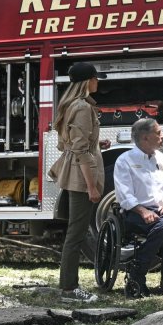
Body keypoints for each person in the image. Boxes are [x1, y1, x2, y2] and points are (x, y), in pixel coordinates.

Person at [48, 61, 106, 302]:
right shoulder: (82, 107)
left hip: (74, 171)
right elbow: (80, 150)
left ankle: (68, 286)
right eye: (95, 78)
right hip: (81, 176)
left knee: (76, 232)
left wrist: (96, 144)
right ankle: (70, 289)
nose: (97, 82)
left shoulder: (71, 105)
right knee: (77, 234)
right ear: (87, 81)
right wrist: (91, 186)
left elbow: (69, 143)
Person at [113, 117, 163, 297]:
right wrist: (143, 211)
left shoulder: (162, 159)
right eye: (159, 133)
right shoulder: (125, 160)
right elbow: (124, 194)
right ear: (145, 137)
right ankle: (137, 274)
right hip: (135, 212)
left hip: (162, 210)